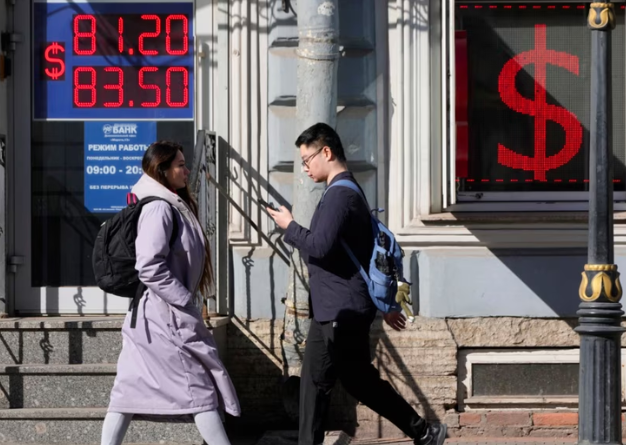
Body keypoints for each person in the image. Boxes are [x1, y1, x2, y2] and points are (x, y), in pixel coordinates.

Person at [266, 123, 447, 445]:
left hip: (342, 309)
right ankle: (422, 431)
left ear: (327, 151)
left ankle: (423, 430)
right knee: (315, 383)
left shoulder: (340, 195)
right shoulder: (345, 191)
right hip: (334, 306)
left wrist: (289, 226)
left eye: (307, 159)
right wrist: (386, 305)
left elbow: (320, 246)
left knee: (358, 381)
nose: (305, 168)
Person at [101, 141, 240, 445]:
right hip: (164, 319)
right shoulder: (159, 209)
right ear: (162, 171)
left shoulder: (171, 205)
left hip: (155, 317)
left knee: (127, 392)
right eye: (180, 164)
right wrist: (184, 300)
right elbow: (149, 265)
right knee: (199, 388)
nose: (186, 170)